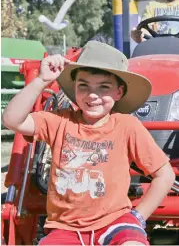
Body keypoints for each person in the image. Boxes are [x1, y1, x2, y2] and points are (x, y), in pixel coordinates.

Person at [3, 41, 175, 245]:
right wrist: (41, 80)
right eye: (84, 85)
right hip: (66, 228)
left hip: (115, 223)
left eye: (104, 87)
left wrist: (137, 217)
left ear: (119, 92)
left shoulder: (127, 126)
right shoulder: (59, 121)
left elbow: (165, 174)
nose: (93, 95)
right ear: (74, 87)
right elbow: (12, 120)